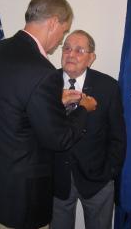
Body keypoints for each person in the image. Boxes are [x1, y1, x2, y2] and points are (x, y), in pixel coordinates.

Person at [0, 0, 97, 229]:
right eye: (64, 32)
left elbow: (12, 110)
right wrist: (83, 109)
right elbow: (59, 138)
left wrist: (53, 102)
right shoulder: (42, 71)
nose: (60, 41)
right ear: (53, 22)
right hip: (21, 202)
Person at [50, 30, 127, 229]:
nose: (71, 54)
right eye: (66, 48)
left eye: (79, 50)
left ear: (91, 58)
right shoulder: (46, 84)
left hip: (98, 180)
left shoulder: (108, 87)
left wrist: (110, 171)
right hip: (56, 179)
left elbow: (118, 135)